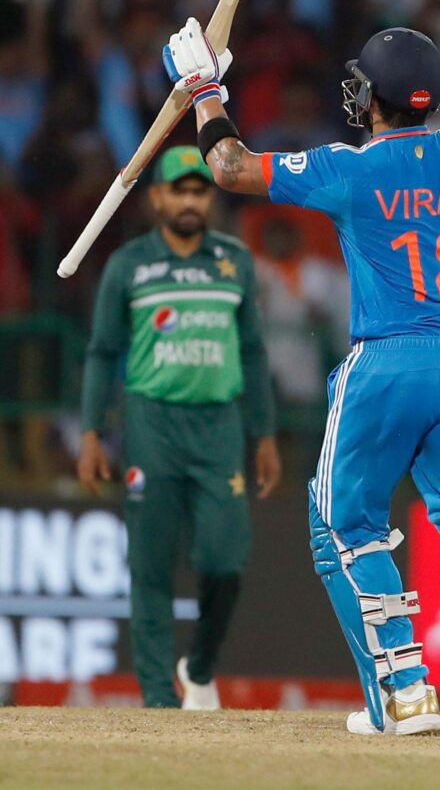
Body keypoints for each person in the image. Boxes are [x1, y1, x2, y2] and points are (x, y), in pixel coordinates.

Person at [161, 0, 440, 735]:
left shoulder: (348, 168)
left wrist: (202, 88)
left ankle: (402, 693)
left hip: (385, 365)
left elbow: (228, 168)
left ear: (376, 97)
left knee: (342, 525)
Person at [78, 145, 281, 709]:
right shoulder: (129, 265)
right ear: (156, 198)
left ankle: (199, 665)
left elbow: (255, 352)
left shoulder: (234, 261)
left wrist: (264, 436)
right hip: (151, 425)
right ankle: (157, 705)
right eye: (181, 190)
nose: (192, 200)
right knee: (150, 566)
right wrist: (92, 433)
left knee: (225, 562)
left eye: (201, 190)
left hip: (219, 428)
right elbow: (101, 353)